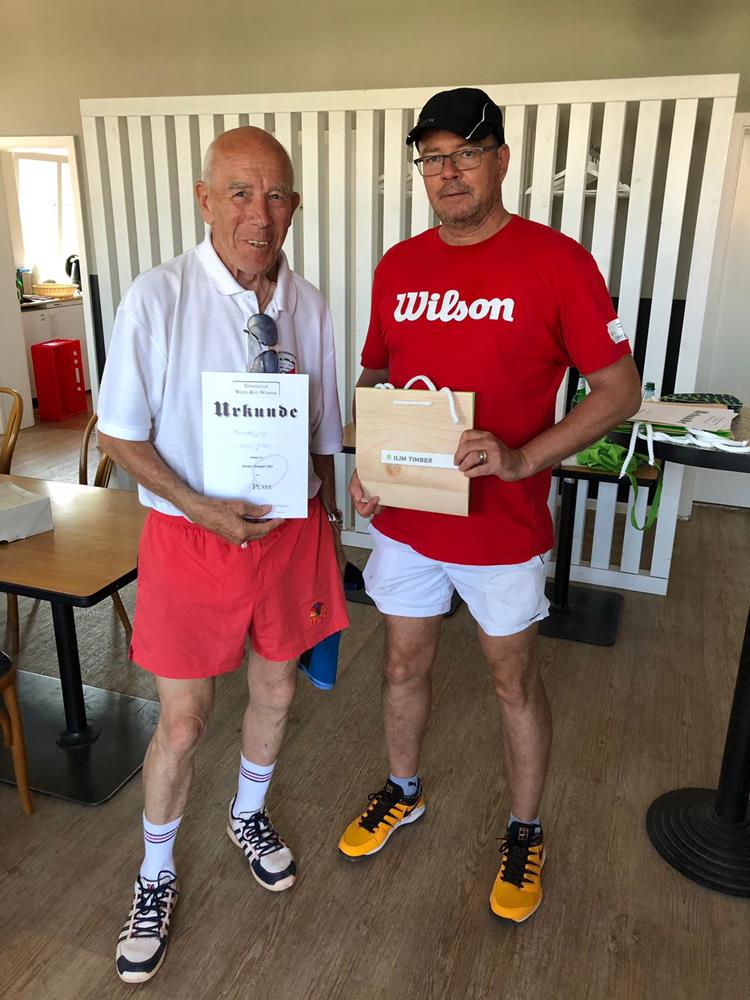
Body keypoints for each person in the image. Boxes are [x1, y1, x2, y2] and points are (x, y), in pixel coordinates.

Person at [339, 88, 641, 923]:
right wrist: (369, 456)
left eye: (466, 153)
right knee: (401, 664)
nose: (448, 172)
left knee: (513, 682)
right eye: (433, 157)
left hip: (503, 529)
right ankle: (404, 791)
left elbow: (618, 390)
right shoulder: (399, 266)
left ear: (500, 160)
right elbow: (376, 375)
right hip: (407, 520)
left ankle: (524, 828)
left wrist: (522, 458)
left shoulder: (556, 261)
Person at [96, 127, 349, 984]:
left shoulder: (308, 304)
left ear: (295, 208)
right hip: (190, 537)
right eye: (240, 193)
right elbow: (118, 432)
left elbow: (321, 430)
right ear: (204, 200)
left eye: (275, 195)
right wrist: (200, 506)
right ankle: (154, 874)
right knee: (183, 721)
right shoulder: (158, 296)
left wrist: (329, 508)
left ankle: (247, 814)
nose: (259, 214)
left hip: (290, 535)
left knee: (277, 690)